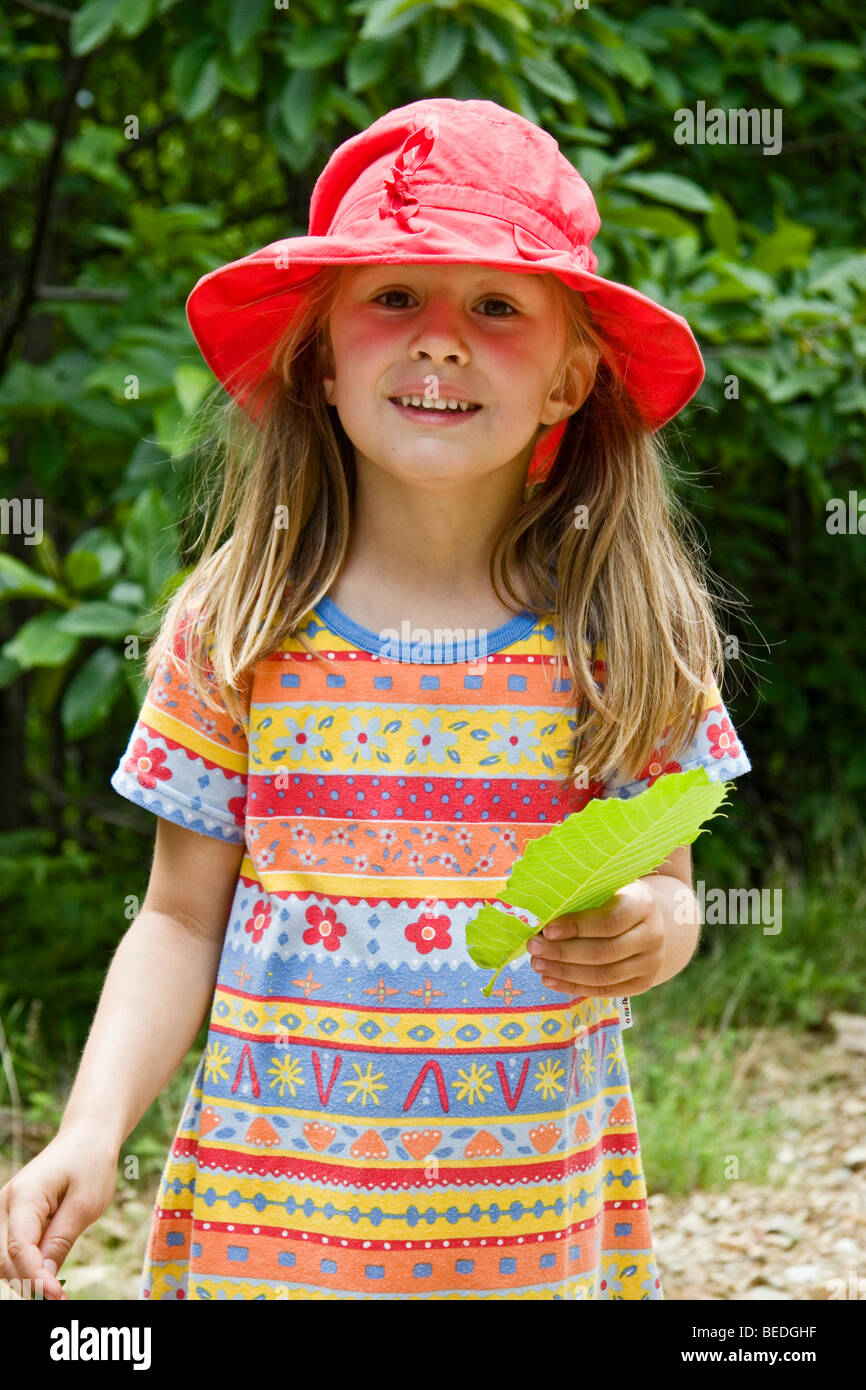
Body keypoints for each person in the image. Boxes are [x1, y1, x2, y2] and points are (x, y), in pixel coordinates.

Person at [0, 98, 751, 1301]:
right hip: (269, 1235)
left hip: (525, 1240)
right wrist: (90, 1130)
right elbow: (180, 920)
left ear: (568, 380)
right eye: (392, 297)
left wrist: (651, 934)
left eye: (495, 305)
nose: (439, 340)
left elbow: (668, 893)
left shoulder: (626, 635)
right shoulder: (236, 621)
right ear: (320, 359)